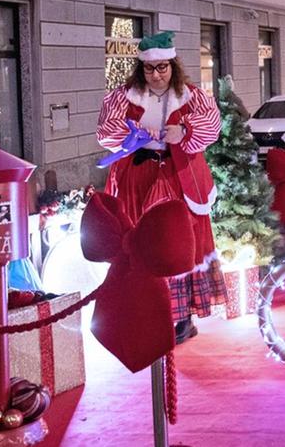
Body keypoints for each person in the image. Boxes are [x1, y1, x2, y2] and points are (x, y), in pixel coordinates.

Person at [96, 31, 225, 342]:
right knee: (140, 240)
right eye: (149, 69)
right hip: (138, 179)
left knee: (178, 241)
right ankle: (145, 313)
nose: (156, 75)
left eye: (162, 68)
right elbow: (106, 131)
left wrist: (184, 130)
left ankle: (182, 317)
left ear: (173, 66)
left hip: (178, 177)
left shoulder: (193, 95)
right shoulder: (122, 97)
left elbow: (212, 126)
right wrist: (134, 133)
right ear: (141, 69)